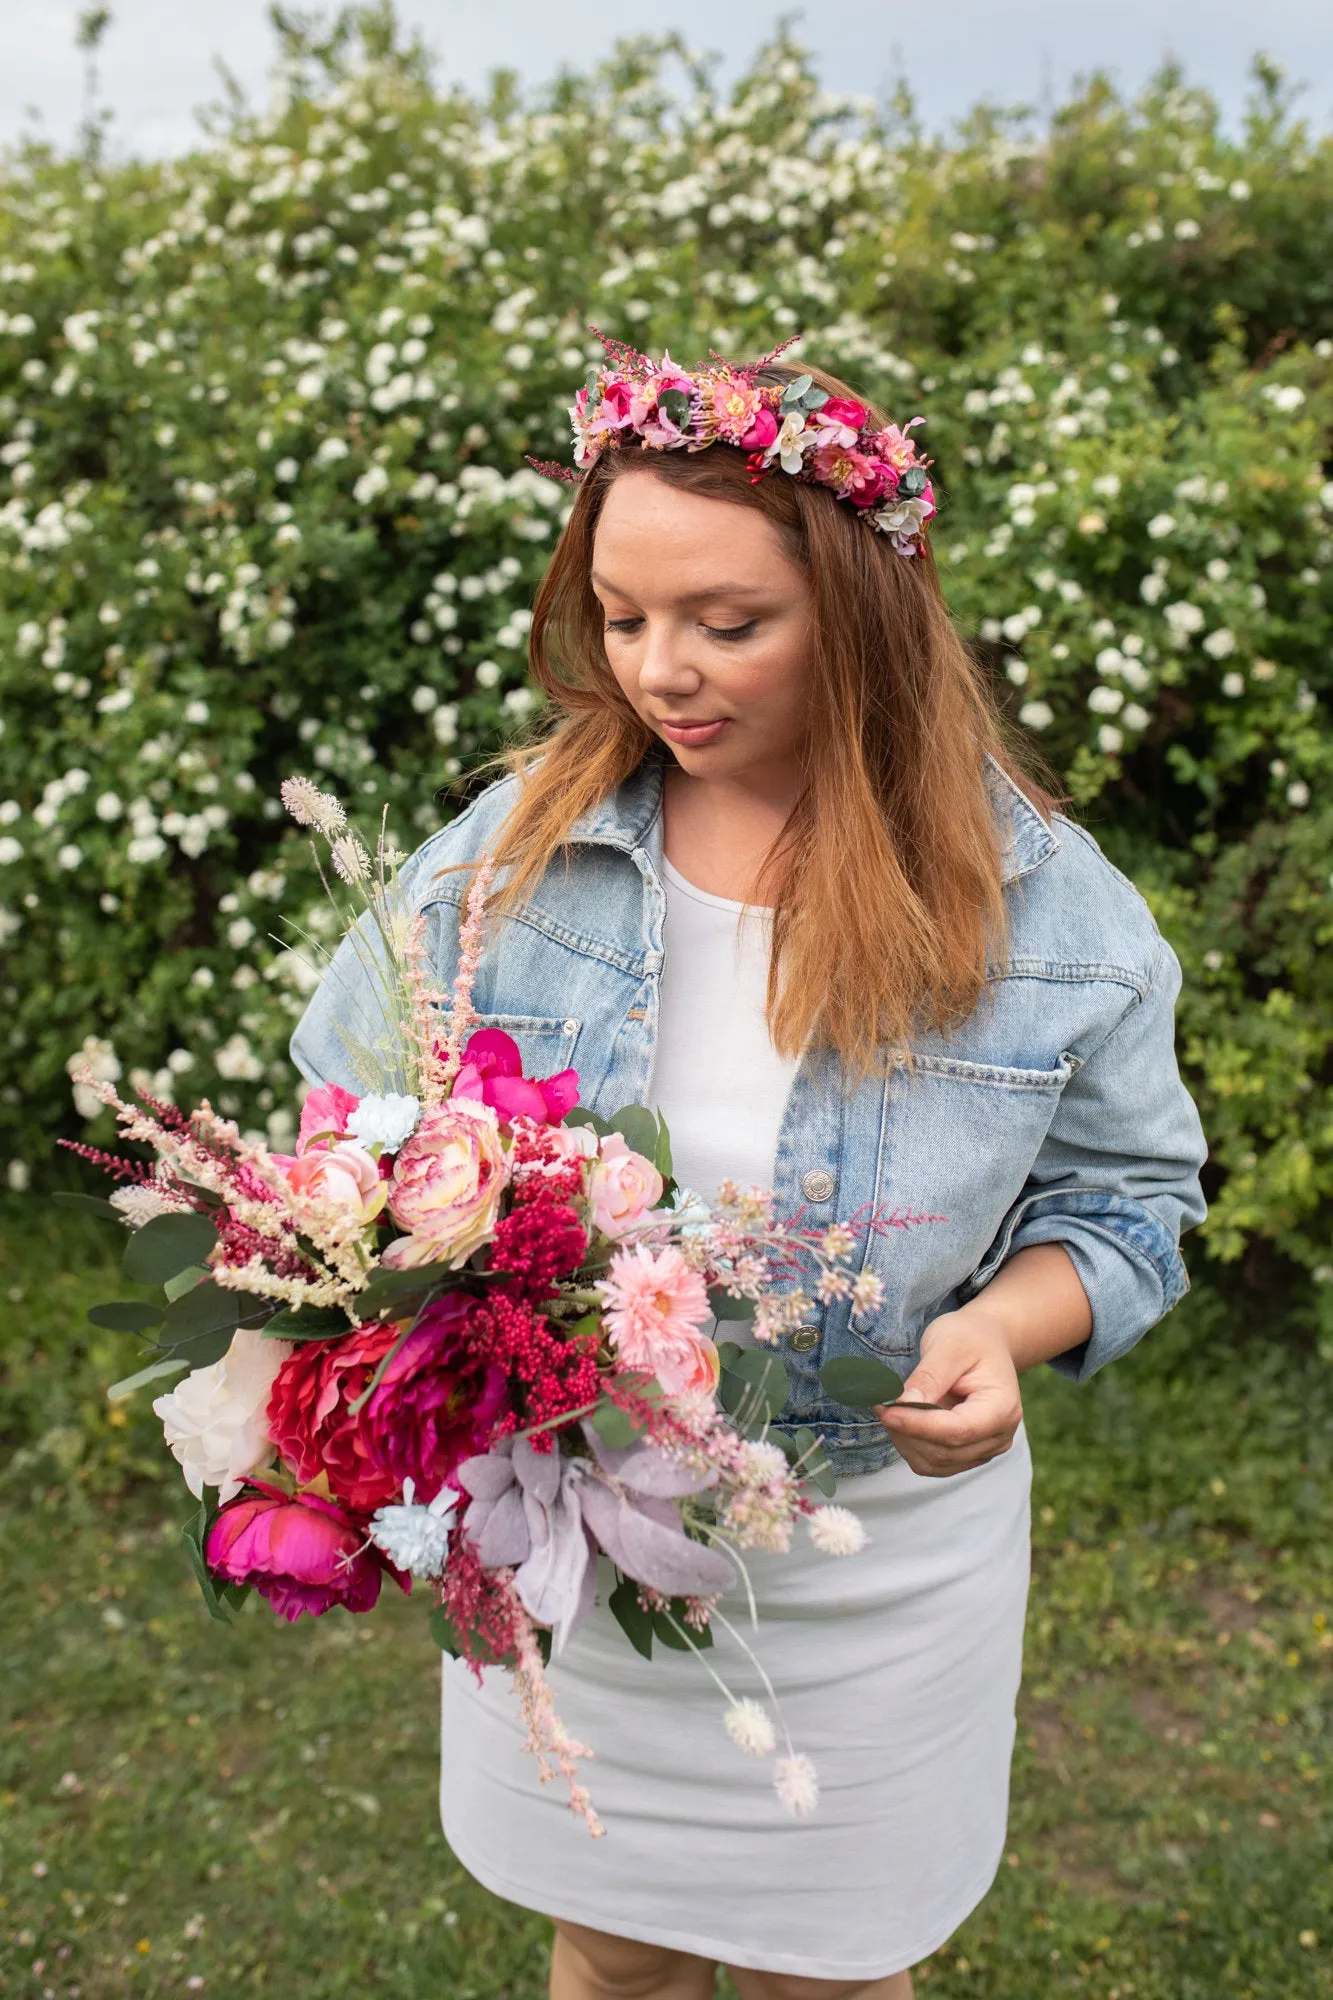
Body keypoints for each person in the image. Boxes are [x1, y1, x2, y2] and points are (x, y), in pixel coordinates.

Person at [291, 341, 1207, 2000]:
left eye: (729, 624)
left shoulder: (1046, 913)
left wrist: (1006, 1331)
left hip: (870, 1567)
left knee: (830, 1973)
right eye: (625, 616)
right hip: (572, 1532)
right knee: (610, 1946)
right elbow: (339, 1121)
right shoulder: (506, 856)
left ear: (859, 614)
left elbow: (1131, 1203)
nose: (662, 672)